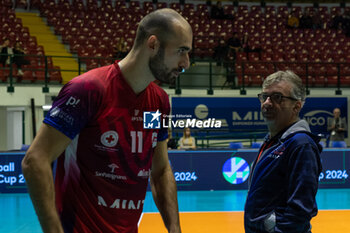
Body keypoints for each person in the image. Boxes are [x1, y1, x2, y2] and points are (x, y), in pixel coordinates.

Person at [22, 8, 192, 233]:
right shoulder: (89, 91)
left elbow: (159, 170)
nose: (186, 63)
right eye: (182, 50)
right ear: (153, 44)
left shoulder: (157, 103)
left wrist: (174, 228)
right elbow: (35, 161)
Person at [244, 70, 322, 233]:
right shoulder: (273, 140)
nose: (267, 103)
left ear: (297, 105)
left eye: (277, 97)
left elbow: (300, 210)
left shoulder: (301, 144)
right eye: (264, 96)